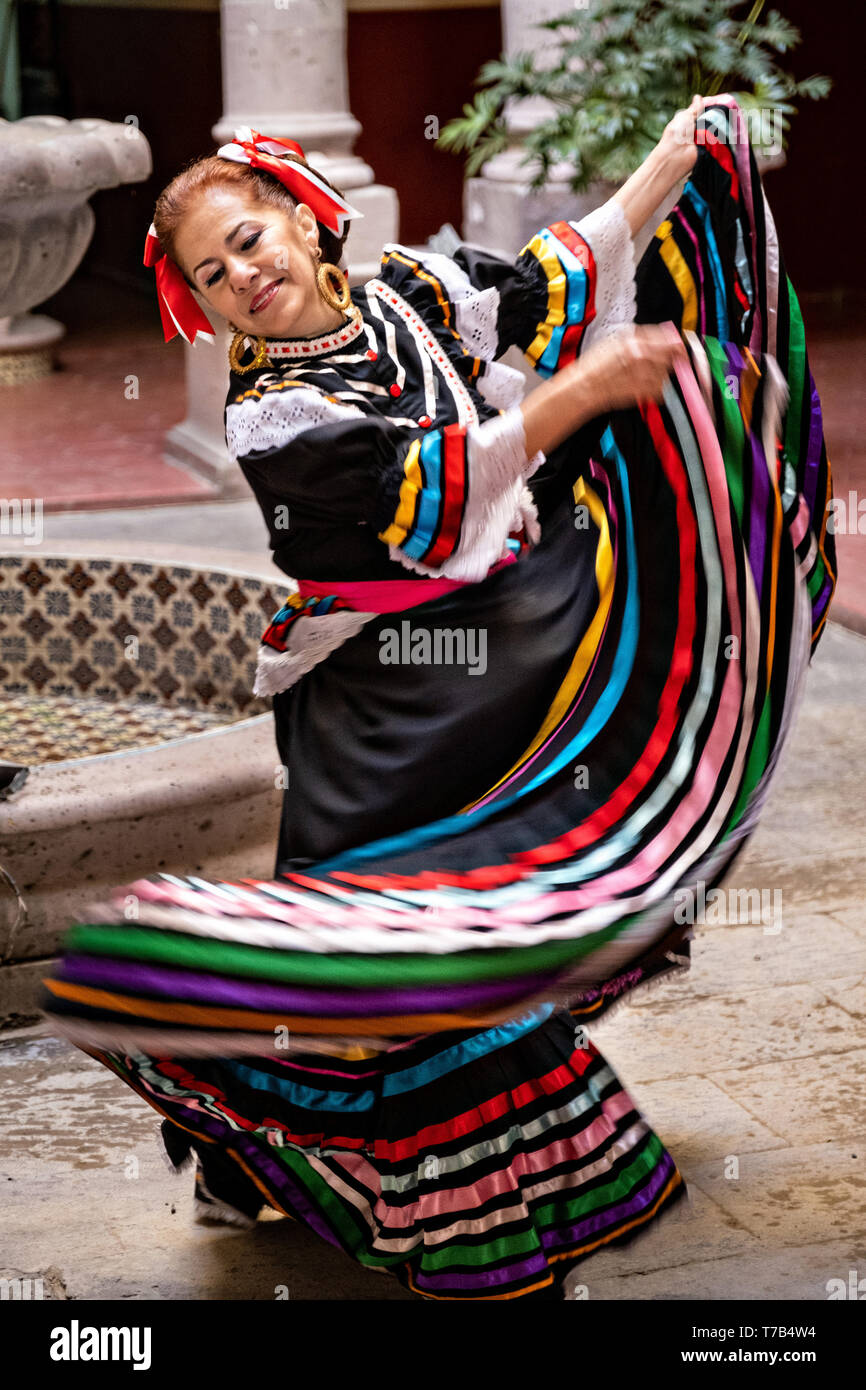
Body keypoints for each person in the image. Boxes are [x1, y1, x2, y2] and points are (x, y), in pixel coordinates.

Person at [44, 95, 835, 1300]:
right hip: (381, 704)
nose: (240, 277)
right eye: (211, 276)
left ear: (308, 223)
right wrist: (580, 394)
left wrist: (674, 156)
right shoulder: (274, 416)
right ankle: (263, 1157)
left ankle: (325, 1171)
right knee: (385, 948)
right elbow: (428, 494)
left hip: (489, 655)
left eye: (249, 240)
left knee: (485, 907)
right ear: (203, 310)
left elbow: (552, 276)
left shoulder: (407, 294)